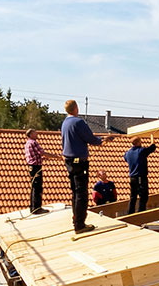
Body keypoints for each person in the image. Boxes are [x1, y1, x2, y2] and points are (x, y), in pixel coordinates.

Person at [61, 99, 111, 233]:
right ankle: (80, 225)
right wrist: (102, 141)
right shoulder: (78, 122)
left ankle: (76, 220)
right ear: (76, 108)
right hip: (79, 162)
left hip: (69, 161)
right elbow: (90, 138)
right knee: (81, 194)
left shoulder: (65, 123)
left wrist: (100, 139)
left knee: (75, 192)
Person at [24, 129, 60, 215]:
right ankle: (37, 208)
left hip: (32, 167)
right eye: (35, 133)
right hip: (36, 167)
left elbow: (35, 156)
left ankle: (33, 207)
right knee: (38, 187)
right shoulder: (33, 142)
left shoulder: (28, 143)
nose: (37, 134)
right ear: (31, 134)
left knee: (34, 187)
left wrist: (42, 158)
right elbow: (42, 153)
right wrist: (56, 157)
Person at [124, 134, 156, 214]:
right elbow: (152, 147)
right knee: (143, 196)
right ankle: (141, 213)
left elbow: (126, 159)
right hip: (140, 177)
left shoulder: (127, 153)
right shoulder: (141, 151)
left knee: (133, 196)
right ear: (138, 142)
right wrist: (152, 138)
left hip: (132, 177)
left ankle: (130, 214)